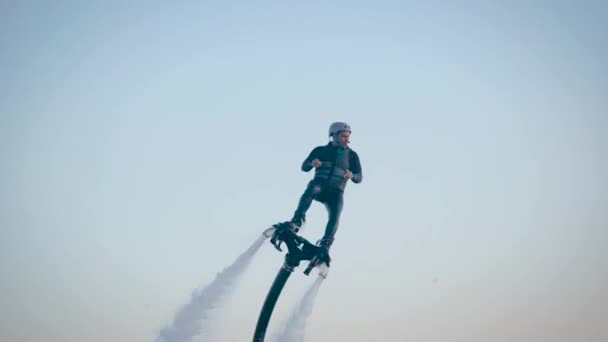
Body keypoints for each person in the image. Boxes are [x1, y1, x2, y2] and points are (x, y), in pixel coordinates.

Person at [285, 121, 363, 260]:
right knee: (312, 188)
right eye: (343, 136)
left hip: (336, 192)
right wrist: (312, 162)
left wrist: (352, 175)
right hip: (320, 186)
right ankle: (297, 220)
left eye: (348, 136)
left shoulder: (352, 155)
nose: (346, 139)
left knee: (335, 214)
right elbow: (304, 166)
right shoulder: (320, 150)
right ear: (333, 135)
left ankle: (325, 244)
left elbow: (359, 177)